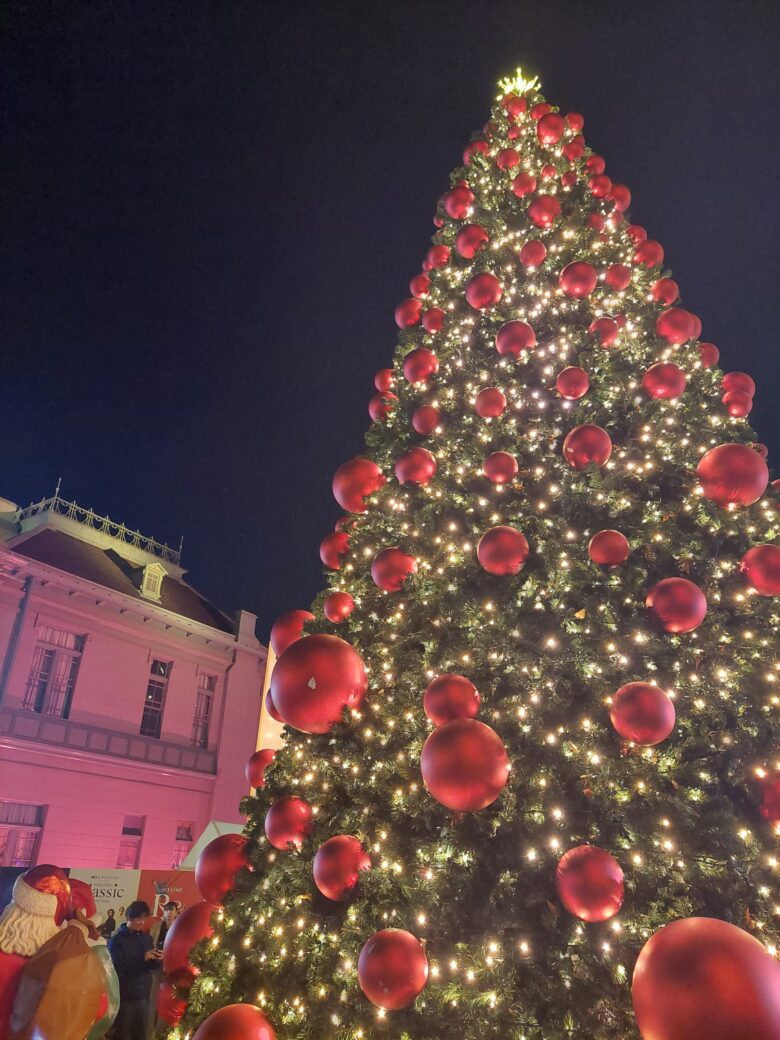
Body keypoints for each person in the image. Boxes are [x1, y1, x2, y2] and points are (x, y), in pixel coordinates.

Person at [108, 901, 161, 1039]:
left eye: (144, 919)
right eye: (139, 919)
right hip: (125, 996)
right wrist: (142, 957)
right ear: (130, 918)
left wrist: (157, 959)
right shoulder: (117, 940)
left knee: (141, 1034)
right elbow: (117, 965)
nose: (142, 922)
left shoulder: (146, 938)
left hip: (143, 995)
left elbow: (150, 966)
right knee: (122, 1033)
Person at [147, 900, 181, 1036]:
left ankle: (163, 1033)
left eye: (171, 910)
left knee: (167, 1002)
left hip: (171, 970)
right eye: (166, 910)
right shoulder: (156, 927)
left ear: (176, 912)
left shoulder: (179, 927)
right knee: (152, 1001)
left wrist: (166, 955)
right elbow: (149, 942)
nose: (168, 913)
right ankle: (149, 1033)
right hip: (155, 968)